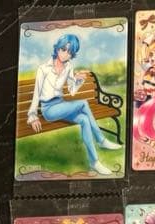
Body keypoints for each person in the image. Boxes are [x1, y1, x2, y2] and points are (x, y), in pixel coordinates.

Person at [27, 33, 121, 175]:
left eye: (70, 52)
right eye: (63, 49)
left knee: (84, 119)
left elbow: (71, 91)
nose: (65, 54)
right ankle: (101, 140)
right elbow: (36, 93)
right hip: (49, 110)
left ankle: (94, 162)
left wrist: (78, 80)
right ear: (57, 48)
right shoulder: (43, 68)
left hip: (61, 104)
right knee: (83, 103)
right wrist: (33, 115)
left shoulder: (68, 67)